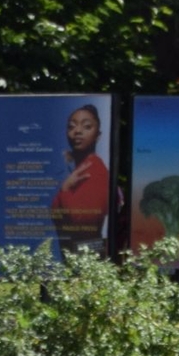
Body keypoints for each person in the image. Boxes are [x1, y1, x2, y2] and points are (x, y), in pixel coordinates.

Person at [50, 102, 109, 257]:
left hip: (87, 259)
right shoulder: (79, 170)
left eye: (87, 127)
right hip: (75, 258)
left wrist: (65, 190)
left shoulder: (95, 170)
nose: (77, 131)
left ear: (98, 135)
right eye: (71, 127)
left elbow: (83, 223)